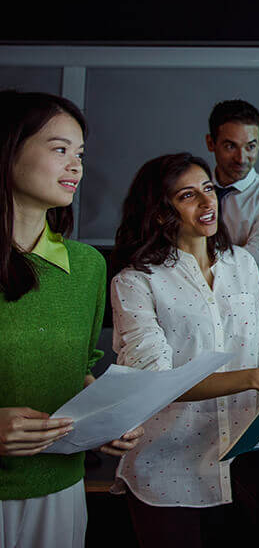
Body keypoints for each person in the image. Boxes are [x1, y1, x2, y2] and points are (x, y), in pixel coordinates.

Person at [110, 152, 259, 548]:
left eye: (208, 189)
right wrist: (258, 379)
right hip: (169, 458)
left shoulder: (241, 263)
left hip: (244, 441)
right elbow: (158, 383)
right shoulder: (135, 281)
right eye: (188, 195)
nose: (208, 202)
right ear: (160, 213)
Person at [0, 90, 142, 548]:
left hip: (60, 490)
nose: (76, 166)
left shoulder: (87, 267)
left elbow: (77, 373)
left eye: (79, 154)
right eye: (60, 149)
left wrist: (104, 418)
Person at [205, 99, 259, 319]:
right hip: (191, 315)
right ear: (210, 143)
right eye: (230, 146)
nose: (241, 158)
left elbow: (253, 262)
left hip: (252, 317)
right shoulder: (190, 190)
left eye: (250, 147)